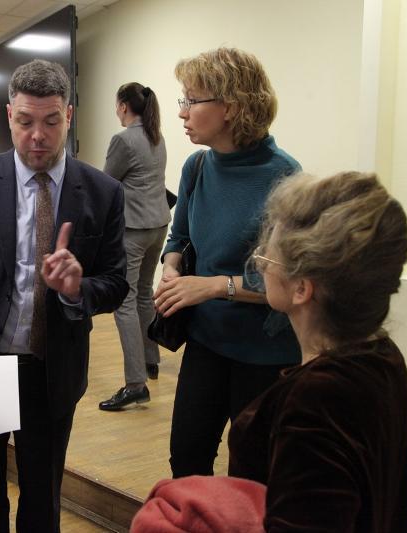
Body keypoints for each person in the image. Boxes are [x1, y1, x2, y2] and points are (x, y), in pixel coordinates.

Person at [0, 59, 129, 533]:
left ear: (68, 115)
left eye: (51, 122)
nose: (37, 136)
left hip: (49, 367)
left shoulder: (103, 192)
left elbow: (116, 283)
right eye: (25, 121)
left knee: (42, 496)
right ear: (9, 116)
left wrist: (78, 289)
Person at [228, 171, 407, 531]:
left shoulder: (315, 401)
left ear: (301, 289)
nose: (261, 264)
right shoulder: (383, 356)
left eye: (269, 256)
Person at [153, 48, 301, 478]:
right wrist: (172, 269)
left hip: (263, 353)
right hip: (206, 341)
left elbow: (287, 280)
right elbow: (179, 236)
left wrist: (214, 286)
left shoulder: (284, 177)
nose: (181, 112)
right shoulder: (197, 166)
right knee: (187, 458)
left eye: (191, 100)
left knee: (251, 473)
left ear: (231, 107)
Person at [99, 82, 171, 411]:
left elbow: (106, 183)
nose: (116, 110)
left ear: (124, 106)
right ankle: (150, 359)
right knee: (143, 293)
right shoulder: (157, 136)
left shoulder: (124, 140)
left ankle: (135, 384)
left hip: (134, 230)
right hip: (159, 225)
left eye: (116, 105)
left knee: (123, 301)